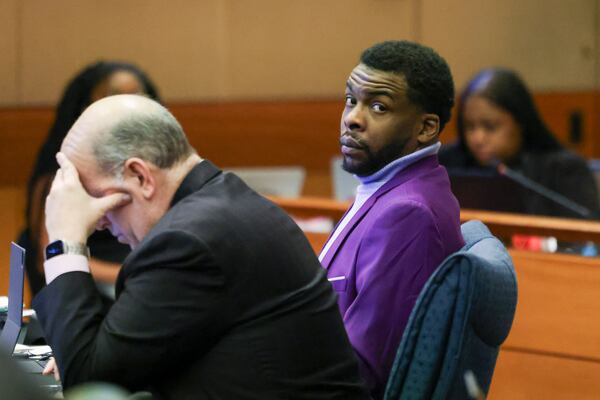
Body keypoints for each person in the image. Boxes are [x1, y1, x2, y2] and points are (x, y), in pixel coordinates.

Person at [32, 95, 368, 399]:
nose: (97, 222)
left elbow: (89, 385)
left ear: (139, 177)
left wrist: (65, 242)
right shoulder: (220, 206)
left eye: (94, 197)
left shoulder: (188, 241)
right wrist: (86, 348)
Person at [319, 40, 465, 399]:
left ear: (426, 128)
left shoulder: (408, 215)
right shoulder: (389, 190)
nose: (353, 118)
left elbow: (360, 373)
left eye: (379, 107)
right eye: (351, 100)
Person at [19, 61, 161, 295]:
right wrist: (131, 275)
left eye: (138, 96)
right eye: (113, 97)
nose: (128, 107)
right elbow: (50, 256)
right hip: (90, 286)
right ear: (87, 107)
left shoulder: (154, 163)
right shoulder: (66, 171)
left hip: (141, 276)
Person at [439, 67, 600, 219]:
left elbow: (584, 239)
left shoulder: (565, 170)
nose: (478, 138)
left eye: (490, 126)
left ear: (521, 123)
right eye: (470, 126)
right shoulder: (445, 164)